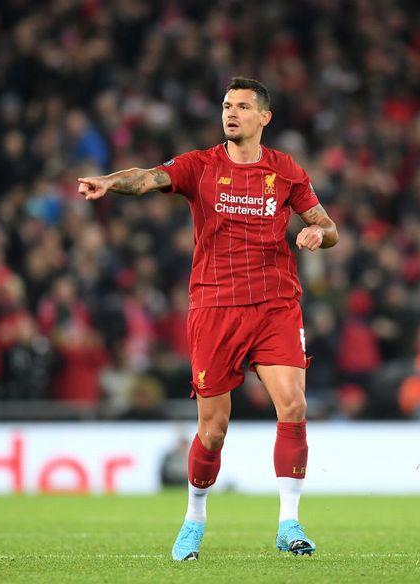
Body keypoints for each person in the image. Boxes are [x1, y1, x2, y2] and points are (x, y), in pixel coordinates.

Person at [78, 77, 338, 561]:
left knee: (294, 406)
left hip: (275, 305)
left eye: (242, 106)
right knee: (214, 429)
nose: (231, 113)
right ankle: (194, 518)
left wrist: (318, 235)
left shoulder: (286, 170)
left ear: (264, 117)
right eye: (226, 106)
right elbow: (149, 177)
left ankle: (289, 523)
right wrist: (110, 182)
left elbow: (327, 224)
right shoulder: (200, 166)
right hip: (215, 308)